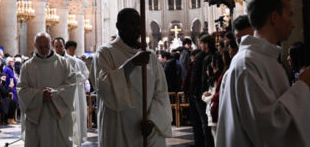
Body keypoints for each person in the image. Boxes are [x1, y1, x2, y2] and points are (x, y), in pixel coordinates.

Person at [216, 0, 310, 147]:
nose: (293, 24)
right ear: (274, 17)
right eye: (289, 15)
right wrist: (303, 85)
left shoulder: (263, 60)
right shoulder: (247, 64)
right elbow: (267, 129)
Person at [90, 8, 172, 147]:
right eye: (132, 24)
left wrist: (153, 119)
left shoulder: (150, 56)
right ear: (119, 26)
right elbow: (103, 86)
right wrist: (131, 64)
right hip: (118, 127)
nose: (137, 28)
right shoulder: (105, 52)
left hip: (147, 129)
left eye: (139, 24)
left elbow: (161, 93)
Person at [17, 32, 76, 147]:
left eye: (46, 46)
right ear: (35, 45)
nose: (44, 49)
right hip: (37, 118)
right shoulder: (27, 66)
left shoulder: (63, 63)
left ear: (51, 44)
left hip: (58, 115)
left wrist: (54, 94)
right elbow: (21, 89)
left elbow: (71, 85)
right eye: (40, 47)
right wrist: (40, 95)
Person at [53, 38, 89, 145]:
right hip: (57, 95)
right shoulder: (52, 60)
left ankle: (74, 141)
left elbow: (85, 75)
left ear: (64, 46)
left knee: (74, 118)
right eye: (56, 46)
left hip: (74, 94)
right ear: (53, 47)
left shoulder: (74, 61)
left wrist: (76, 77)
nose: (59, 48)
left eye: (61, 46)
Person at [190, 34, 215, 147]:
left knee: (205, 123)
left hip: (202, 93)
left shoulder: (200, 56)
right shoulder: (214, 54)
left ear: (205, 44)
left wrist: (193, 92)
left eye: (200, 43)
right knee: (210, 122)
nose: (199, 45)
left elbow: (194, 76)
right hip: (212, 91)